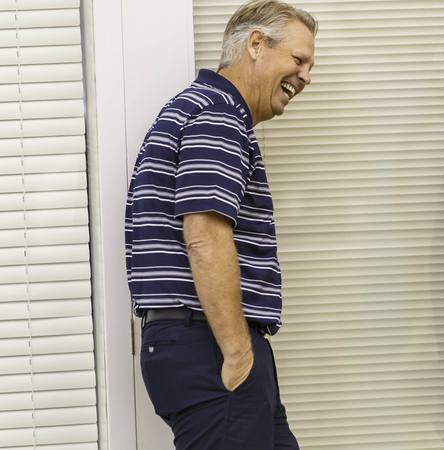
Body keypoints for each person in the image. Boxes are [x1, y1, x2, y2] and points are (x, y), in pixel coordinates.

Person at [124, 1, 316, 448]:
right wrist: (237, 352)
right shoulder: (218, 115)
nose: (306, 76)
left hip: (201, 343)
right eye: (299, 59)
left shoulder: (197, 109)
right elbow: (205, 237)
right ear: (256, 45)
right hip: (209, 345)